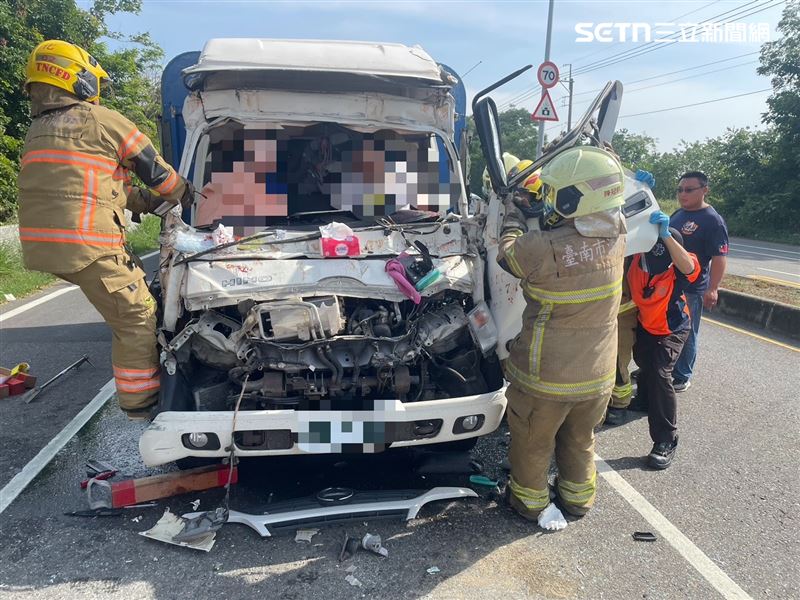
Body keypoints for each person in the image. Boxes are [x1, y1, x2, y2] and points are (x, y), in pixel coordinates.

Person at [17, 40, 193, 420]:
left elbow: (102, 189)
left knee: (130, 296)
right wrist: (186, 195)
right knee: (137, 316)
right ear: (79, 79)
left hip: (44, 247)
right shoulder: (101, 121)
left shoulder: (38, 131)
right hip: (88, 244)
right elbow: (159, 173)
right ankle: (142, 407)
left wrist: (150, 204)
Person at [497, 146, 626, 527]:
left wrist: (514, 215)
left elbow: (508, 256)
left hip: (546, 376)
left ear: (572, 198)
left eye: (555, 193)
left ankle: (529, 502)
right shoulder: (618, 237)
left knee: (533, 443)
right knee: (580, 439)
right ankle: (578, 499)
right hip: (597, 376)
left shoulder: (539, 247)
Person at [628, 211, 700, 469]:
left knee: (660, 373)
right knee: (643, 362)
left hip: (672, 328)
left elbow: (690, 267)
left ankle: (666, 439)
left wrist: (667, 236)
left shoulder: (678, 267)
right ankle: (644, 400)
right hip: (646, 325)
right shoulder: (636, 260)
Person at [669, 172, 728, 392]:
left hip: (692, 288)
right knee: (665, 327)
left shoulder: (712, 220)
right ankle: (664, 365)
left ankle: (682, 375)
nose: (682, 194)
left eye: (689, 190)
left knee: (687, 331)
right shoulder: (678, 214)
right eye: (680, 190)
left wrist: (713, 288)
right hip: (669, 283)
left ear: (704, 190)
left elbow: (719, 257)